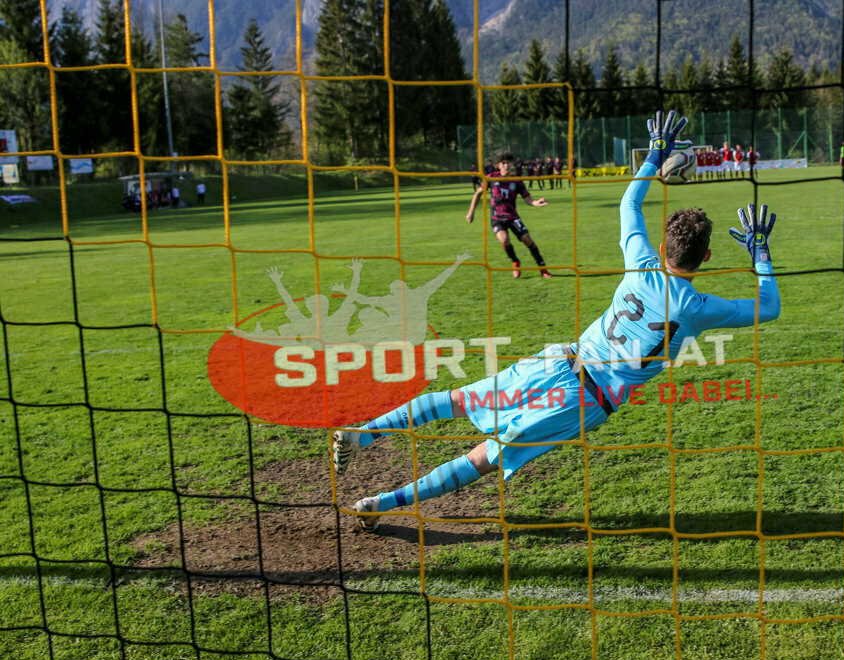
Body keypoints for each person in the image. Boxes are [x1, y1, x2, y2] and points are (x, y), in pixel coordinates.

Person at [333, 111, 782, 532]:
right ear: (705, 256)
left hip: (555, 364)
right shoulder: (700, 307)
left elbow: (630, 202)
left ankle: (363, 433)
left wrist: (654, 152)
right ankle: (381, 505)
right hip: (584, 401)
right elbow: (769, 307)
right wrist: (760, 253)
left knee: (454, 399)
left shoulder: (639, 264)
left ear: (663, 245)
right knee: (485, 458)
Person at [466, 150, 551, 279]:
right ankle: (515, 262)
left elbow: (528, 199)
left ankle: (543, 268)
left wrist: (537, 202)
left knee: (527, 239)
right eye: (503, 163)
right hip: (497, 219)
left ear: (511, 164)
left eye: (508, 163)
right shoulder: (491, 178)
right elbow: (478, 193)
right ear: (498, 165)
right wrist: (471, 212)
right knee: (505, 240)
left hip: (513, 217)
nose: (506, 165)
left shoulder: (517, 181)